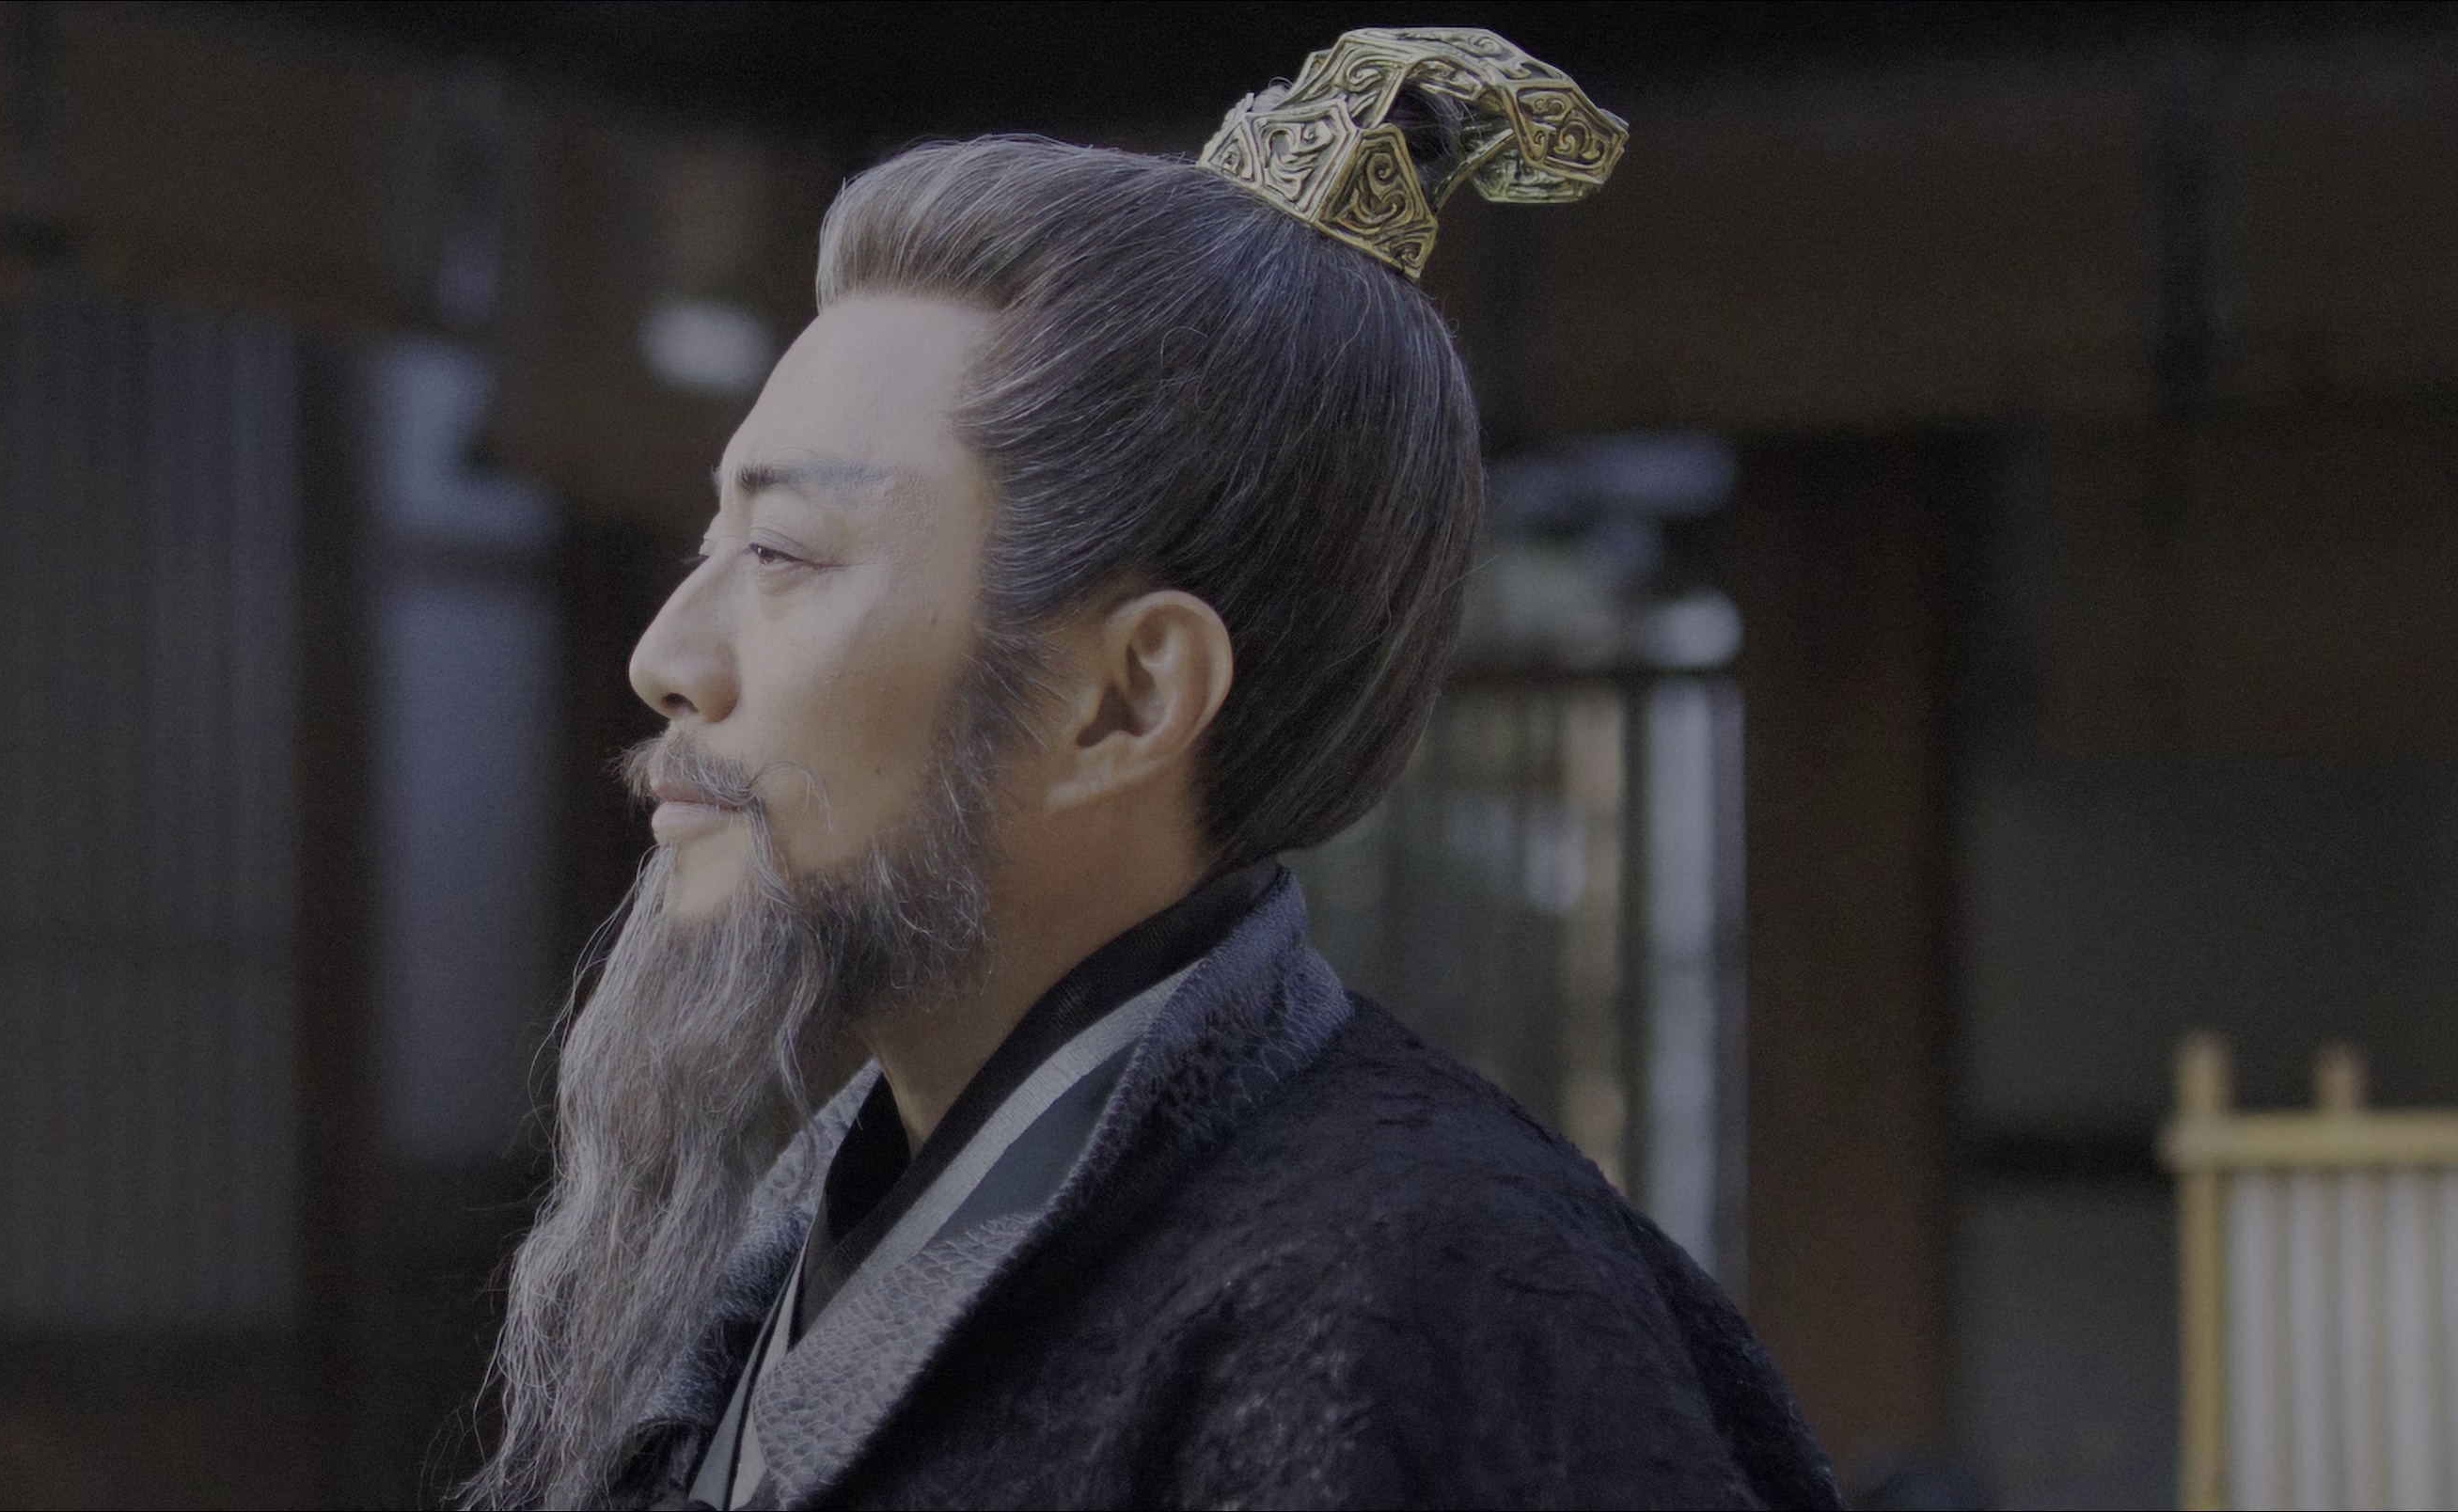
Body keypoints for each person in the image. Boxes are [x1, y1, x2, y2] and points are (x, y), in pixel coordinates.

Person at [467, 28, 1841, 1511]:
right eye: (711, 545)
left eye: (784, 553)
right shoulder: (816, 1234)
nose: (668, 655)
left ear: (1125, 699)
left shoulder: (1419, 1301)